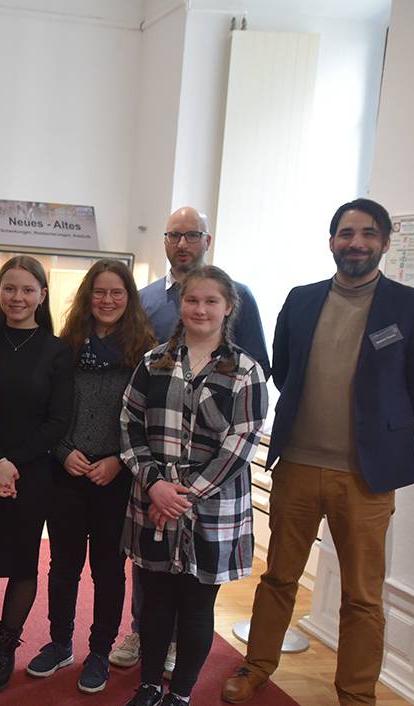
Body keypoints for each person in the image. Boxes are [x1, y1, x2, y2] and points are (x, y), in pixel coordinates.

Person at [222, 198, 414, 706]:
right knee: (279, 577)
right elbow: (285, 369)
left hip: (366, 477)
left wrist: (379, 432)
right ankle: (256, 666)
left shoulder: (410, 306)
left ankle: (358, 703)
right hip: (297, 464)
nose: (356, 243)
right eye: (346, 233)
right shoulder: (300, 300)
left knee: (362, 596)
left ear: (385, 243)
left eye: (368, 234)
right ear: (331, 242)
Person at [114, 205, 271, 674]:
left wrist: (185, 494)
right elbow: (131, 409)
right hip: (155, 475)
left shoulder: (243, 347)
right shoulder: (147, 313)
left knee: (196, 596)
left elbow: (244, 427)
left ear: (227, 306)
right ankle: (145, 640)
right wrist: (156, 484)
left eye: (191, 235)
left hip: (209, 491)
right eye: (174, 235)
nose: (201, 309)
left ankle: (180, 667)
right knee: (153, 584)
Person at [26, 260, 157, 695]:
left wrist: (119, 460)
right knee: (63, 566)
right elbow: (50, 410)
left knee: (108, 569)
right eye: (99, 291)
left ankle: (99, 651)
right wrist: (63, 452)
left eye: (116, 292)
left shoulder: (146, 352)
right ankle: (60, 643)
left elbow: (148, 420)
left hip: (116, 476)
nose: (107, 300)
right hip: (67, 469)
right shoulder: (66, 346)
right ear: (87, 296)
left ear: (129, 298)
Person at [0, 255, 73, 693]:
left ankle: (5, 649)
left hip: (32, 475)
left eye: (27, 289)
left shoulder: (57, 351)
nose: (17, 297)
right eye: (9, 288)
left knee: (23, 564)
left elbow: (58, 421)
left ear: (42, 295)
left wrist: (12, 463)